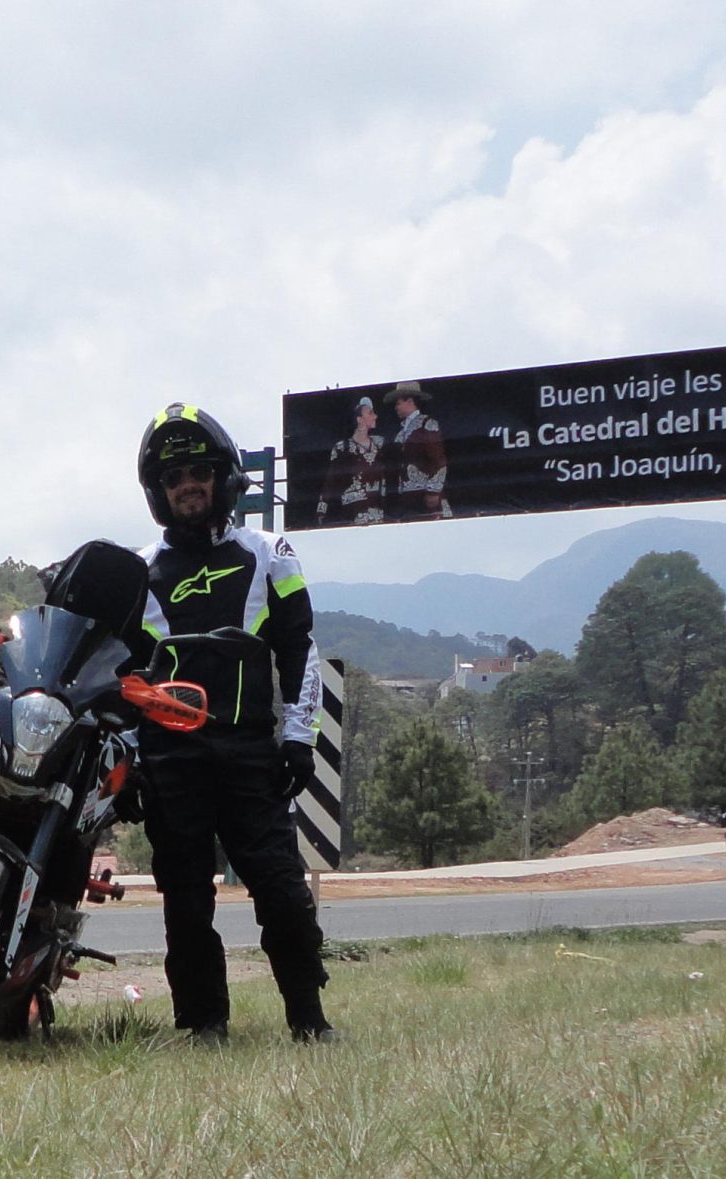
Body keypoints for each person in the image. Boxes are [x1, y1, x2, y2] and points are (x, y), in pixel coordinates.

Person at [128, 403, 338, 1045]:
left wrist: (299, 740)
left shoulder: (269, 551)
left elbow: (300, 648)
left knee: (280, 888)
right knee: (185, 900)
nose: (186, 484)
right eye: (172, 477)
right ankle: (203, 1025)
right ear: (158, 493)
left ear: (223, 476)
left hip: (250, 751)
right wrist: (134, 757)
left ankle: (308, 1018)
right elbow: (125, 674)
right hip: (171, 756)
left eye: (197, 470)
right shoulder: (139, 571)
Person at [314, 395, 386, 526]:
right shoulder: (342, 448)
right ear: (359, 419)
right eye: (370, 413)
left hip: (379, 511)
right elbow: (331, 481)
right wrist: (322, 509)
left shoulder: (380, 444)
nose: (375, 416)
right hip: (351, 512)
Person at [384, 380, 448, 520]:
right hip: (407, 498)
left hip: (426, 495)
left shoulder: (427, 424)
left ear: (410, 401)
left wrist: (433, 492)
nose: (396, 407)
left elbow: (439, 460)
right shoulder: (400, 433)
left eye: (398, 403)